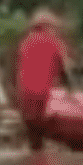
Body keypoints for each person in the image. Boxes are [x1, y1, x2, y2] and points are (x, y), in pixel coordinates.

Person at [14, 9, 70, 150]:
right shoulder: (55, 42)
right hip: (44, 94)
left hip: (25, 92)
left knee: (32, 132)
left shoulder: (25, 42)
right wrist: (70, 89)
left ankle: (34, 155)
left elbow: (20, 67)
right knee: (41, 127)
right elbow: (64, 69)